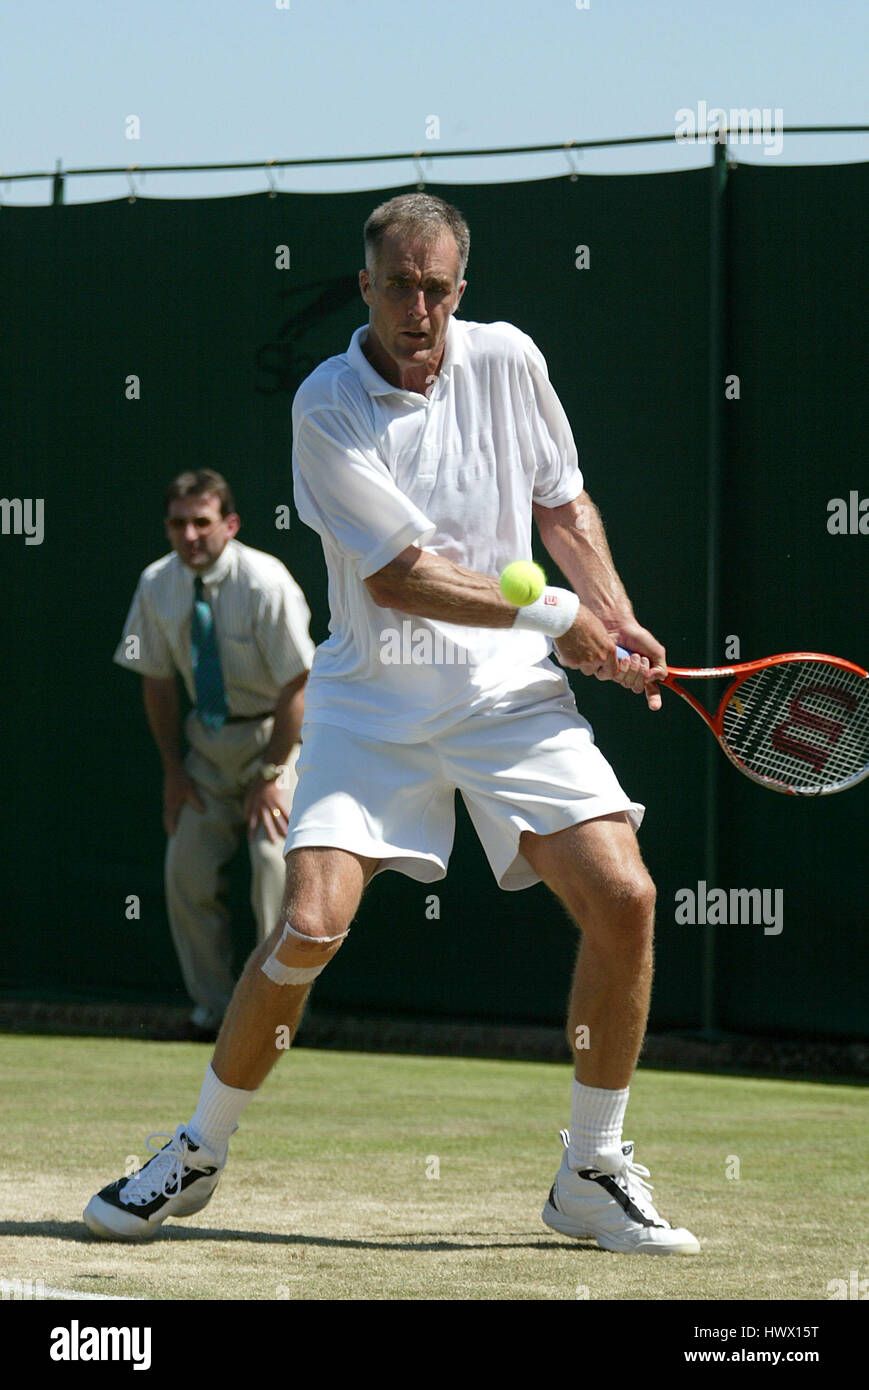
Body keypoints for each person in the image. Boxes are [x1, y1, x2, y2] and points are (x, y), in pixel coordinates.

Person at [85, 197, 699, 1256]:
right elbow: (400, 576)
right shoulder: (327, 404)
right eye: (398, 285)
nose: (418, 308)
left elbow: (561, 504)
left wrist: (607, 607)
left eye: (438, 288)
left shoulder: (509, 360)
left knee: (625, 896)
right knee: (310, 921)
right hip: (372, 701)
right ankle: (194, 1149)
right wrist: (556, 616)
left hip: (507, 697)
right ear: (363, 286)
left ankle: (590, 1169)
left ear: (461, 289)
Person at [112, 470, 315, 1039]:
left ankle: (272, 1018)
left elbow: (298, 685)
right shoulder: (156, 583)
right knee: (186, 870)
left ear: (229, 524)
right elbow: (156, 681)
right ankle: (215, 1013)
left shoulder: (265, 582)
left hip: (279, 744)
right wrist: (174, 771)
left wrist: (273, 775)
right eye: (178, 523)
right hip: (205, 748)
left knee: (274, 868)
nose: (190, 535)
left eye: (202, 522)